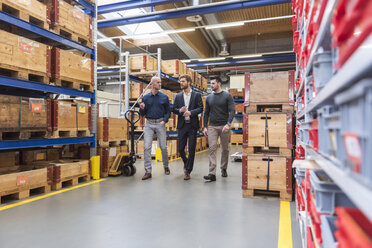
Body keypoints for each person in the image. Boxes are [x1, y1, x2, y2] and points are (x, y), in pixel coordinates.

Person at [203, 77, 235, 182]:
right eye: (210, 83)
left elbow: (232, 110)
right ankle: (212, 173)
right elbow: (206, 113)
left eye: (213, 83)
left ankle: (223, 168)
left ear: (219, 84)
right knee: (212, 148)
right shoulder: (209, 98)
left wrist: (228, 124)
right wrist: (204, 127)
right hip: (212, 126)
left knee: (225, 149)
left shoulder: (227, 96)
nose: (211, 85)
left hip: (224, 126)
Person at [139, 76, 171, 180]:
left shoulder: (164, 97)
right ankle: (148, 171)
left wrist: (164, 121)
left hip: (160, 123)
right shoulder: (145, 97)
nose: (159, 84)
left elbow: (168, 112)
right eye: (157, 82)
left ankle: (166, 166)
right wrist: (142, 109)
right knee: (147, 147)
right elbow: (142, 113)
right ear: (152, 84)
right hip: (149, 124)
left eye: (160, 82)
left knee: (163, 147)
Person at [173, 74, 203, 180]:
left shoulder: (196, 95)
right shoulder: (177, 96)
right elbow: (174, 109)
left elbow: (200, 108)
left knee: (191, 148)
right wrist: (179, 111)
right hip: (182, 125)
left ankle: (188, 171)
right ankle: (186, 162)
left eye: (183, 81)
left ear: (189, 82)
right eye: (180, 81)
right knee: (180, 149)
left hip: (192, 125)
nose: (181, 83)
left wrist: (190, 112)